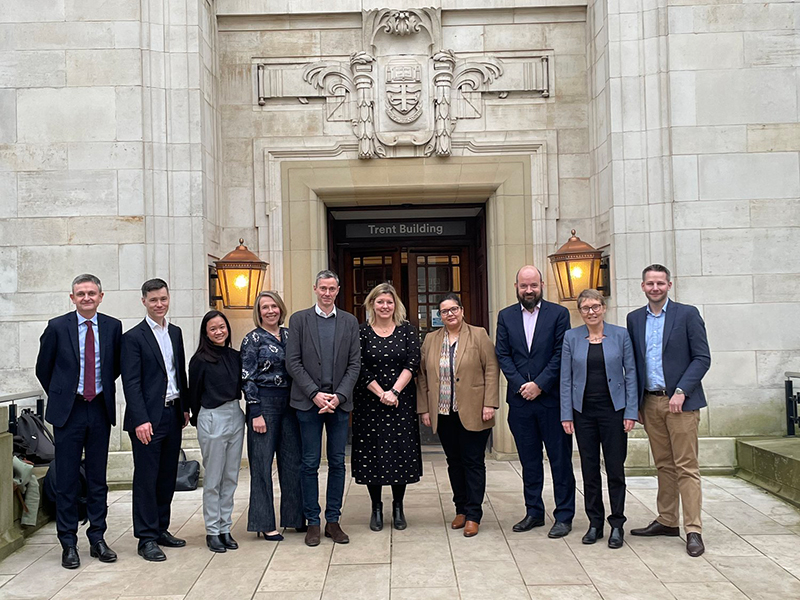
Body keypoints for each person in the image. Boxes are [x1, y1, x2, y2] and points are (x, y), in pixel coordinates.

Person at [35, 274, 122, 569]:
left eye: (91, 293)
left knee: (98, 479)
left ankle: (97, 538)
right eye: (80, 293)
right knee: (67, 480)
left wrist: (95, 390)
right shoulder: (57, 327)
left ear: (101, 296)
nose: (86, 298)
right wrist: (62, 394)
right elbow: (43, 368)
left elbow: (115, 367)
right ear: (72, 298)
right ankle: (68, 542)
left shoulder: (112, 327)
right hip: (68, 412)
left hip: (99, 408)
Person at [627, 264, 711, 557]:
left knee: (687, 466)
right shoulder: (634, 319)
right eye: (650, 283)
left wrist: (682, 390)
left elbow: (702, 357)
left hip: (681, 404)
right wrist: (635, 403)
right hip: (650, 403)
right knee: (663, 465)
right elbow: (634, 363)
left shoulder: (687, 314)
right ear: (642, 286)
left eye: (660, 283)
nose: (655, 287)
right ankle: (666, 520)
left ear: (669, 285)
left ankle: (693, 529)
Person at [495, 266, 575, 538]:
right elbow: (503, 354)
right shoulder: (505, 316)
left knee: (560, 461)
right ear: (515, 286)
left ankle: (564, 515)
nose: (529, 291)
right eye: (523, 286)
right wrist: (521, 385)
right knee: (529, 462)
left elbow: (560, 353)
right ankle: (534, 512)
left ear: (542, 284)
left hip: (551, 401)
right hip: (520, 403)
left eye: (533, 285)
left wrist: (539, 385)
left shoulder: (559, 314)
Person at [286, 270, 361, 547]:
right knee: (309, 464)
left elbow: (355, 364)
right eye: (323, 288)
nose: (327, 293)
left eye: (332, 288)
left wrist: (339, 396)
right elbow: (292, 362)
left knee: (338, 463)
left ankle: (333, 520)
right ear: (314, 289)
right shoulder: (299, 320)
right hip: (309, 403)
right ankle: (313, 522)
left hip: (339, 406)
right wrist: (315, 394)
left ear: (338, 290)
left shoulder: (350, 322)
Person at [560, 289, 638, 549]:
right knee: (589, 470)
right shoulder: (571, 337)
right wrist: (566, 414)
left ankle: (617, 523)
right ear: (580, 312)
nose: (591, 312)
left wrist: (630, 411)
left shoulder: (620, 335)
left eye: (595, 306)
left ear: (603, 308)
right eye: (585, 308)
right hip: (583, 413)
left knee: (615, 469)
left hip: (613, 412)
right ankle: (595, 522)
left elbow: (631, 375)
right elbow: (566, 378)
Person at [418, 293, 499, 538]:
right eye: (444, 311)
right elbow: (421, 375)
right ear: (439, 316)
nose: (450, 314)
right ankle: (460, 509)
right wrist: (424, 408)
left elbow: (492, 369)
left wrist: (490, 403)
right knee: (454, 462)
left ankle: (474, 514)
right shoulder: (431, 339)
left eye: (454, 309)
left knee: (473, 462)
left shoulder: (479, 334)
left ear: (462, 310)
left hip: (475, 409)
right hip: (443, 411)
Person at [121, 279, 189, 562]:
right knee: (146, 478)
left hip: (173, 413)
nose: (159, 304)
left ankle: (161, 528)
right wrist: (140, 419)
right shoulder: (133, 337)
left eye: (163, 299)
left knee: (166, 476)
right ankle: (146, 537)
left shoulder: (175, 332)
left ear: (168, 298)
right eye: (153, 300)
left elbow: (178, 372)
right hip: (147, 418)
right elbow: (131, 382)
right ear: (144, 302)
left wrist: (185, 407)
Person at [353, 283, 422, 532]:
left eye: (389, 302)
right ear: (372, 304)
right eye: (380, 302)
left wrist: (394, 391)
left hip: (400, 402)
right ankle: (376, 507)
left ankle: (398, 506)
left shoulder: (408, 331)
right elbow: (358, 365)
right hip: (370, 403)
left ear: (396, 305)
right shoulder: (361, 332)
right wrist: (380, 392)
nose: (385, 306)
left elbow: (413, 361)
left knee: (399, 453)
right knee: (372, 454)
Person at [241, 290, 304, 541]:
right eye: (265, 307)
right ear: (259, 312)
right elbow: (247, 376)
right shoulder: (252, 339)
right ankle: (264, 522)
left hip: (291, 403)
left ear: (281, 309)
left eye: (274, 306)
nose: (270, 311)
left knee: (292, 463)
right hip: (263, 404)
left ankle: (294, 517)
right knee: (261, 465)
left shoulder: (291, 335)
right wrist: (255, 410)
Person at [188, 310, 245, 553]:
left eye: (222, 327)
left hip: (235, 415)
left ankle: (225, 527)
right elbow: (194, 393)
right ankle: (212, 530)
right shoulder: (200, 360)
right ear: (206, 332)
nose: (219, 331)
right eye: (213, 328)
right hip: (212, 416)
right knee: (213, 478)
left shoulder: (235, 356)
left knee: (231, 476)